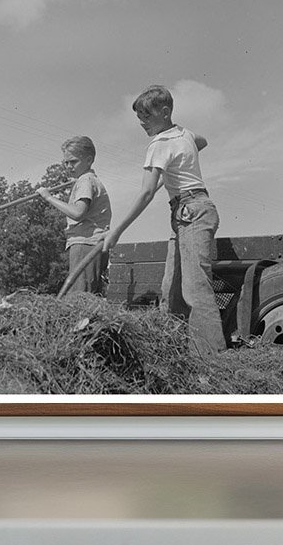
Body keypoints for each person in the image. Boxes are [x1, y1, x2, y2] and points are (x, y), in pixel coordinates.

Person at [103, 85, 227, 355]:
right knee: (171, 288)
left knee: (195, 289)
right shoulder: (184, 133)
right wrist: (177, 169)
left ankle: (212, 360)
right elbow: (202, 142)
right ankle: (174, 350)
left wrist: (116, 232)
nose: (142, 123)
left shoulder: (159, 144)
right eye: (139, 118)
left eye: (147, 117)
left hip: (191, 212)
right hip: (189, 210)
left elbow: (146, 192)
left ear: (165, 111)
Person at [37, 136, 111, 294]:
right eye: (66, 163)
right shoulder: (89, 180)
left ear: (89, 160)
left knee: (78, 296)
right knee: (88, 296)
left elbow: (78, 213)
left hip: (85, 243)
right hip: (94, 244)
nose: (69, 167)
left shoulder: (85, 181)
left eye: (73, 162)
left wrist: (48, 197)